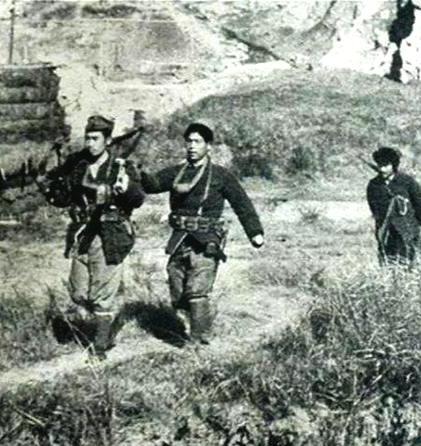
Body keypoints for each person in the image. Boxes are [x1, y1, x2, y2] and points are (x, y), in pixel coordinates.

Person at [140, 122, 264, 345]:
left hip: (207, 239)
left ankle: (198, 343)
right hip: (179, 239)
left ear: (208, 146)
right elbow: (153, 184)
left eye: (197, 142)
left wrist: (254, 232)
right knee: (178, 290)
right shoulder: (176, 173)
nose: (192, 146)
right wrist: (137, 173)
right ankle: (196, 322)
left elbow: (242, 204)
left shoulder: (221, 175)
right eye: (189, 141)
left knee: (197, 290)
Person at [38, 115, 146, 358]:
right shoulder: (79, 166)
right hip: (83, 233)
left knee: (102, 296)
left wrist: (125, 188)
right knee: (78, 292)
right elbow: (64, 197)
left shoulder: (120, 167)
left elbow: (138, 198)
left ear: (107, 141)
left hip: (109, 234)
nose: (90, 143)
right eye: (87, 138)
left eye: (95, 138)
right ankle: (102, 319)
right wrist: (49, 188)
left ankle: (100, 347)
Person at [366, 147, 421, 264]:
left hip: (407, 229)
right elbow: (373, 207)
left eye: (385, 165)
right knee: (386, 261)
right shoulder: (374, 185)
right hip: (385, 231)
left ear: (393, 165)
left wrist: (419, 224)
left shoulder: (407, 181)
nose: (382, 169)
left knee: (407, 261)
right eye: (380, 165)